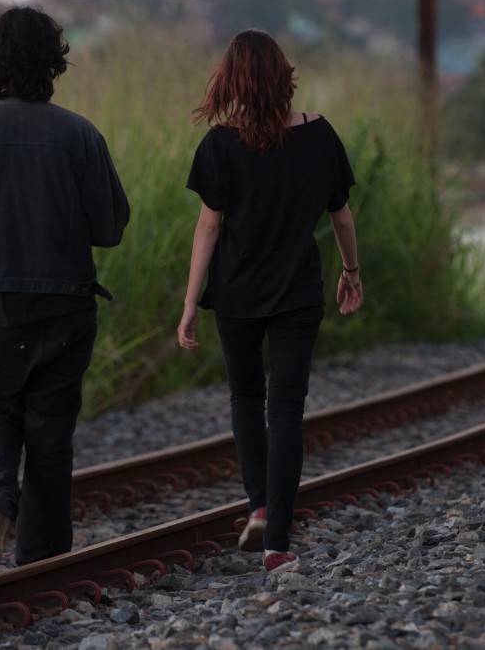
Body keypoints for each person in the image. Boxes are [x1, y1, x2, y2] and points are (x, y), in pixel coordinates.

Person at [0, 5, 130, 578]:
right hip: (67, 305)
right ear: (53, 63)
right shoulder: (79, 134)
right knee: (50, 430)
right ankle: (42, 561)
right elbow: (110, 228)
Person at [177, 29, 363, 573]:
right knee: (285, 409)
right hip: (297, 294)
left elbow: (208, 227)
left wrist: (191, 302)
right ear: (284, 76)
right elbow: (342, 216)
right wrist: (351, 271)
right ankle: (278, 542)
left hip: (235, 293)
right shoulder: (321, 135)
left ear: (230, 81)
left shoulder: (217, 145)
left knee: (244, 397)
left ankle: (257, 503)